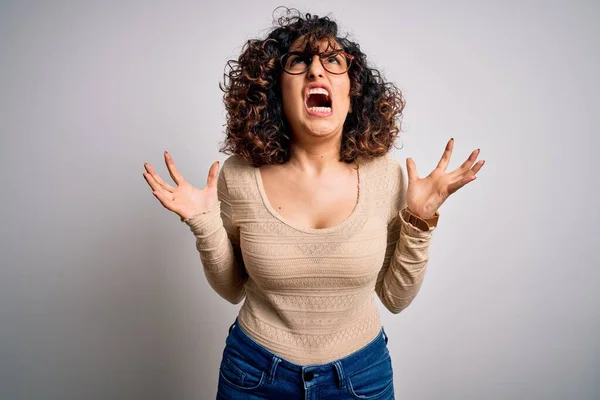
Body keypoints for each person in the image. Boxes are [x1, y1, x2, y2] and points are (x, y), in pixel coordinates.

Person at [142, 8, 484, 399]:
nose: (317, 71)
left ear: (352, 93)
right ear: (276, 91)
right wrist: (204, 222)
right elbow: (232, 287)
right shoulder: (239, 177)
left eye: (333, 60)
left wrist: (420, 220)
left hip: (361, 376)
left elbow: (395, 298)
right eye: (299, 61)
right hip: (254, 375)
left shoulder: (385, 176)